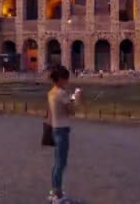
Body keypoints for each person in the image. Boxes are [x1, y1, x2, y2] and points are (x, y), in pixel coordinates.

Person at [47, 65, 80, 203]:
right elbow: (71, 110)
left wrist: (71, 98)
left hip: (55, 128)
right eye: (66, 78)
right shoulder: (61, 93)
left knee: (56, 163)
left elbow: (60, 108)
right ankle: (58, 195)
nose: (67, 81)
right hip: (62, 130)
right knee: (61, 163)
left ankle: (55, 189)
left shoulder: (52, 92)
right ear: (60, 79)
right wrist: (76, 97)